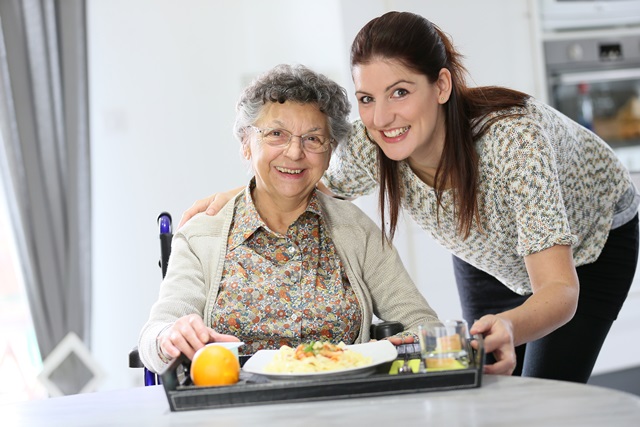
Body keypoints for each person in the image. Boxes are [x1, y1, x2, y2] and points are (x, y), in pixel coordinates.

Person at [179, 12, 640, 383]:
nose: (382, 118)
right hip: (485, 252)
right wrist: (236, 195)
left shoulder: (512, 143)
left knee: (543, 395)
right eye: (366, 97)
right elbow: (305, 179)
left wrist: (512, 325)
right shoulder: (370, 143)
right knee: (483, 381)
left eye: (399, 92)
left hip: (589, 246)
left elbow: (559, 290)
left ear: (441, 86)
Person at [138, 63, 440, 374]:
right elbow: (155, 337)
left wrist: (371, 354)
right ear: (246, 143)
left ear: (330, 150)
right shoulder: (202, 236)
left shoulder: (356, 230)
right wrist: (168, 337)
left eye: (313, 139)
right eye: (276, 134)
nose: (295, 152)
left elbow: (423, 327)